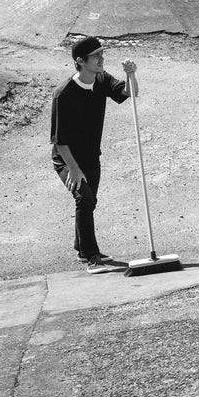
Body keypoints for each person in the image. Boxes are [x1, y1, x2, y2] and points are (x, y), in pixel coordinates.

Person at [50, 36, 138, 274]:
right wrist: (74, 168)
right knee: (84, 198)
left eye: (102, 54)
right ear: (80, 61)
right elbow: (59, 140)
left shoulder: (101, 79)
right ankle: (91, 256)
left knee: (90, 202)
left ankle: (81, 247)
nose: (102, 59)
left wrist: (131, 75)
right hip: (66, 159)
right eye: (96, 55)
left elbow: (129, 93)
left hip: (91, 156)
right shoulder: (63, 94)